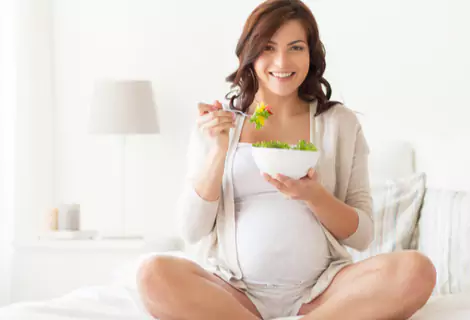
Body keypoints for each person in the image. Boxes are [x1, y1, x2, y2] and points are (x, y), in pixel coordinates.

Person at [137, 0, 436, 319]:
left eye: (295, 47)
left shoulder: (338, 123)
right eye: (268, 47)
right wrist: (219, 153)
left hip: (324, 292)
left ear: (311, 54)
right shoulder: (219, 124)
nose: (282, 61)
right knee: (152, 273)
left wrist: (314, 196)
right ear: (250, 53)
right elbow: (191, 230)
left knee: (416, 270)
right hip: (235, 293)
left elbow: (362, 237)